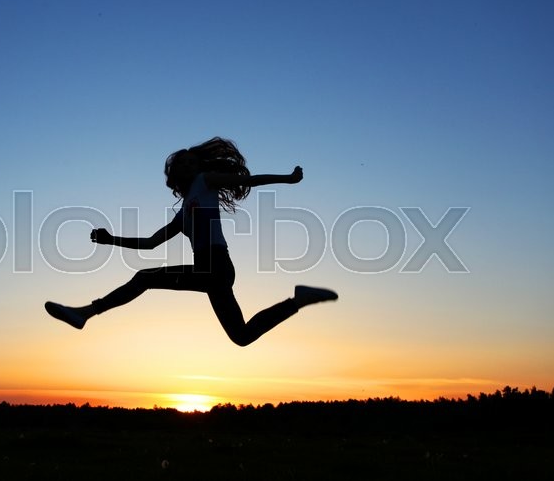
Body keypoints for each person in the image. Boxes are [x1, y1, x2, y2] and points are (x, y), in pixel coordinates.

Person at [45, 137, 337, 346]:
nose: (185, 164)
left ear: (198, 167)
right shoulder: (183, 213)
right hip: (210, 272)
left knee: (144, 277)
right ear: (175, 173)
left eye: (190, 160)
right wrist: (111, 240)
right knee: (242, 337)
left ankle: (86, 312)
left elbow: (247, 181)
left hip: (216, 266)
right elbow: (150, 243)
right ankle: (298, 299)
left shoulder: (205, 181)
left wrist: (288, 179)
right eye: (181, 162)